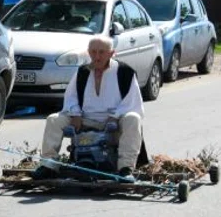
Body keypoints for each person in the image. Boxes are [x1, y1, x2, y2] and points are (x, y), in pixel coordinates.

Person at [32, 34, 147, 182]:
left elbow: (132, 101)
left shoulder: (124, 72)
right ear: (88, 52)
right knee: (54, 120)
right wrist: (75, 114)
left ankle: (125, 169)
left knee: (133, 118)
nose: (97, 57)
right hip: (85, 119)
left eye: (101, 52)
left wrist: (116, 116)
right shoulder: (83, 72)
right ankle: (48, 165)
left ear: (112, 53)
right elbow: (71, 96)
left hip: (113, 122)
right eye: (93, 52)